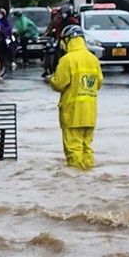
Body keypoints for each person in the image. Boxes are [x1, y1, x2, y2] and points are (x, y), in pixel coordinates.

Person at [49, 26, 101, 168]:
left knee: (74, 148)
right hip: (90, 112)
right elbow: (99, 83)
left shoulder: (67, 60)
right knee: (87, 146)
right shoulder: (93, 59)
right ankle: (89, 173)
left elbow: (59, 84)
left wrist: (51, 79)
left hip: (72, 112)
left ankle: (77, 179)